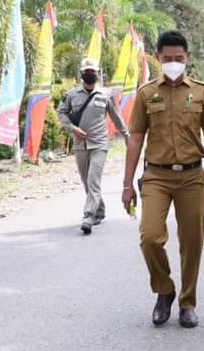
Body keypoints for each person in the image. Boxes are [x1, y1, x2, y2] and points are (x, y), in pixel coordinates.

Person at [122, 31, 204, 329]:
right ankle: (164, 290)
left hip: (192, 177)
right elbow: (135, 139)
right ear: (157, 57)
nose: (174, 63)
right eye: (167, 58)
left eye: (179, 58)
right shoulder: (146, 93)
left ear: (187, 57)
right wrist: (127, 185)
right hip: (156, 175)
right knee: (150, 237)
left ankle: (187, 302)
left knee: (192, 243)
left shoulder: (203, 92)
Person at [58, 58, 128, 235]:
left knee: (93, 180)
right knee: (86, 182)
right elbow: (62, 114)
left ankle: (88, 216)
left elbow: (116, 116)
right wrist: (72, 128)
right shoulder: (71, 95)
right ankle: (100, 211)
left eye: (92, 71)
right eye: (86, 71)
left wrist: (126, 134)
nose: (89, 74)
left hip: (99, 144)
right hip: (80, 145)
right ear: (82, 73)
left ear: (97, 74)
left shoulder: (106, 95)